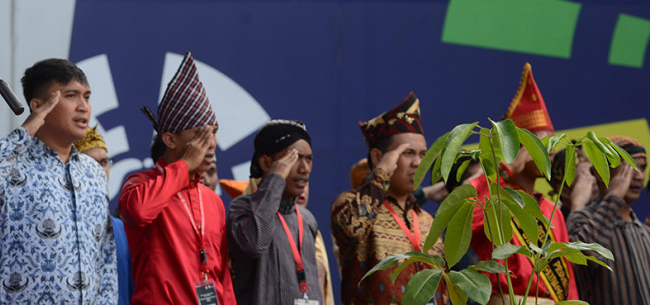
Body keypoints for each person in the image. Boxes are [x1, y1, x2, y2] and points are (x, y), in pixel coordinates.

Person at [0, 58, 116, 304]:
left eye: (87, 96)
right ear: (38, 106)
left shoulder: (93, 172)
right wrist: (27, 129)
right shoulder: (10, 165)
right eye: (71, 96)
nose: (84, 106)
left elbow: (105, 257)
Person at [119, 51, 236, 305]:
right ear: (170, 139)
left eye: (214, 133)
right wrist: (183, 166)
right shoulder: (141, 184)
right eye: (200, 135)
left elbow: (223, 277)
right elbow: (138, 212)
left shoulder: (213, 200)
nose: (210, 144)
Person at [468, 63, 578, 304]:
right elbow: (467, 219)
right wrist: (504, 170)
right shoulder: (495, 197)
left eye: (552, 143)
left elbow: (567, 282)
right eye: (539, 143)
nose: (549, 151)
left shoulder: (552, 210)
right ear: (517, 149)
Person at [331, 92, 449, 305]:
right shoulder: (348, 204)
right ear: (378, 157)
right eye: (407, 153)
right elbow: (351, 229)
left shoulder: (427, 222)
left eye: (423, 155)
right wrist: (382, 172)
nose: (417, 163)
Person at [227, 119, 325, 305]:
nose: (304, 169)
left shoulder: (306, 218)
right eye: (294, 158)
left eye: (309, 159)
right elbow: (255, 244)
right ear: (266, 163)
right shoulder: (242, 208)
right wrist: (276, 177)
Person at [567, 135, 650, 303]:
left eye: (642, 168)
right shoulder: (582, 218)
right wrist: (613, 196)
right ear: (599, 172)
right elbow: (581, 257)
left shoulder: (645, 232)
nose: (639, 176)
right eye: (629, 168)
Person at [76, 126, 134, 305]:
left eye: (104, 162)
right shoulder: (64, 226)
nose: (100, 170)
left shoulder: (122, 229)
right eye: (90, 162)